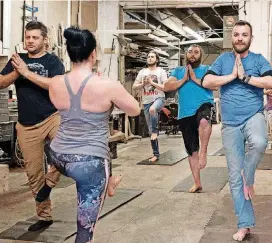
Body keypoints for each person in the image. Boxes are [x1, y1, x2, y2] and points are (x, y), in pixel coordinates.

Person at [48, 26, 140, 243]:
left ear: (70, 53)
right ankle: (107, 182)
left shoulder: (55, 83)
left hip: (57, 154)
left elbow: (65, 105)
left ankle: (105, 182)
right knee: (84, 232)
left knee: (102, 157)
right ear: (93, 54)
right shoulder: (107, 85)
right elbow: (135, 110)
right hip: (88, 164)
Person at [202, 20, 272, 241]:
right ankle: (244, 224)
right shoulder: (223, 60)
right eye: (236, 34)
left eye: (244, 34)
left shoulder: (258, 60)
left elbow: (271, 79)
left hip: (253, 116)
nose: (240, 38)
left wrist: (247, 78)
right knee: (234, 179)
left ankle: (248, 173)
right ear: (232, 38)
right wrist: (232, 76)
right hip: (230, 125)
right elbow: (207, 81)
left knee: (260, 142)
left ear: (251, 38)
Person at [0, 21, 65, 231]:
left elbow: (55, 84)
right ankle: (44, 216)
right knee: (33, 173)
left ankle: (49, 185)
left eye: (35, 37)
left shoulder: (53, 61)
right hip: (26, 125)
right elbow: (1, 82)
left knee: (66, 151)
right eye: (27, 37)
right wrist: (18, 71)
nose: (30, 41)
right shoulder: (18, 61)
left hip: (52, 117)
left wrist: (27, 73)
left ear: (45, 39)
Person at [164, 44, 214, 193]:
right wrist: (184, 80)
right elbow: (167, 86)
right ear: (185, 54)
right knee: (191, 151)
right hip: (185, 114)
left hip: (203, 105)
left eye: (196, 52)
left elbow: (214, 86)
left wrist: (194, 78)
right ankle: (197, 182)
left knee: (204, 120)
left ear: (201, 55)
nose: (193, 54)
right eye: (190, 52)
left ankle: (204, 152)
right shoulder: (179, 71)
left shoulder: (206, 69)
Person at [132, 51, 167, 162]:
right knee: (150, 129)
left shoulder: (161, 71)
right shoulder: (142, 72)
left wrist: (152, 83)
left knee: (153, 110)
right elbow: (134, 87)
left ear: (156, 59)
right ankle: (156, 154)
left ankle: (155, 131)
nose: (150, 58)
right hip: (146, 101)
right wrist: (143, 84)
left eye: (152, 57)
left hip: (158, 99)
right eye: (148, 56)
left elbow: (165, 87)